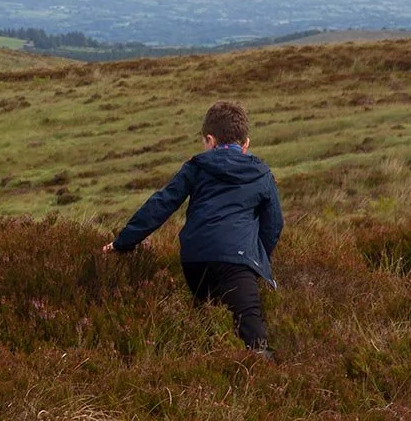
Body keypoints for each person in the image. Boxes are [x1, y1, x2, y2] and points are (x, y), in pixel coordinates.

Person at [102, 100, 283, 357]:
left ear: (209, 140)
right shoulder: (261, 173)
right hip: (238, 263)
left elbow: (162, 204)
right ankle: (261, 387)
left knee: (210, 326)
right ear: (246, 144)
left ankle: (203, 380)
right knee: (255, 342)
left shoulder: (196, 167)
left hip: (195, 261)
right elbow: (274, 224)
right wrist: (257, 259)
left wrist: (123, 242)